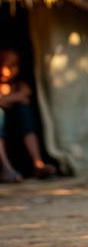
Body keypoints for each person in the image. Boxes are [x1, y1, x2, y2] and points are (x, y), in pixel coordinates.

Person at [0, 47, 56, 181]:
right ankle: (5, 168)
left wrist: (4, 100)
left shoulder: (19, 84)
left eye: (14, 66)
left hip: (14, 124)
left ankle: (38, 163)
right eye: (7, 66)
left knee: (25, 111)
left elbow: (25, 95)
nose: (11, 70)